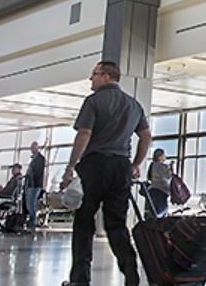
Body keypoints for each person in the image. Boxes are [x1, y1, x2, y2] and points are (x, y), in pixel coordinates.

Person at [61, 61, 152, 286]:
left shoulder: (93, 101)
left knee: (84, 222)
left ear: (107, 76)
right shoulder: (134, 104)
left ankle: (80, 280)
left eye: (94, 74)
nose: (91, 79)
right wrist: (135, 164)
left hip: (95, 165)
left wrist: (70, 167)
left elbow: (84, 134)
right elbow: (146, 136)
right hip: (121, 167)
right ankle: (131, 273)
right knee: (117, 224)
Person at [25, 141, 46, 233]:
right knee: (29, 203)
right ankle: (31, 220)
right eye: (31, 148)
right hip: (30, 184)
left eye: (34, 148)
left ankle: (32, 221)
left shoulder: (40, 159)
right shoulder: (33, 159)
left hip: (35, 184)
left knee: (31, 202)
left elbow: (38, 172)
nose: (32, 150)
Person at [146, 148, 173, 218]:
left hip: (153, 190)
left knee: (154, 211)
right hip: (161, 191)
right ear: (160, 157)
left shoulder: (152, 166)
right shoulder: (161, 165)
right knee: (161, 213)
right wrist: (171, 167)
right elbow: (169, 176)